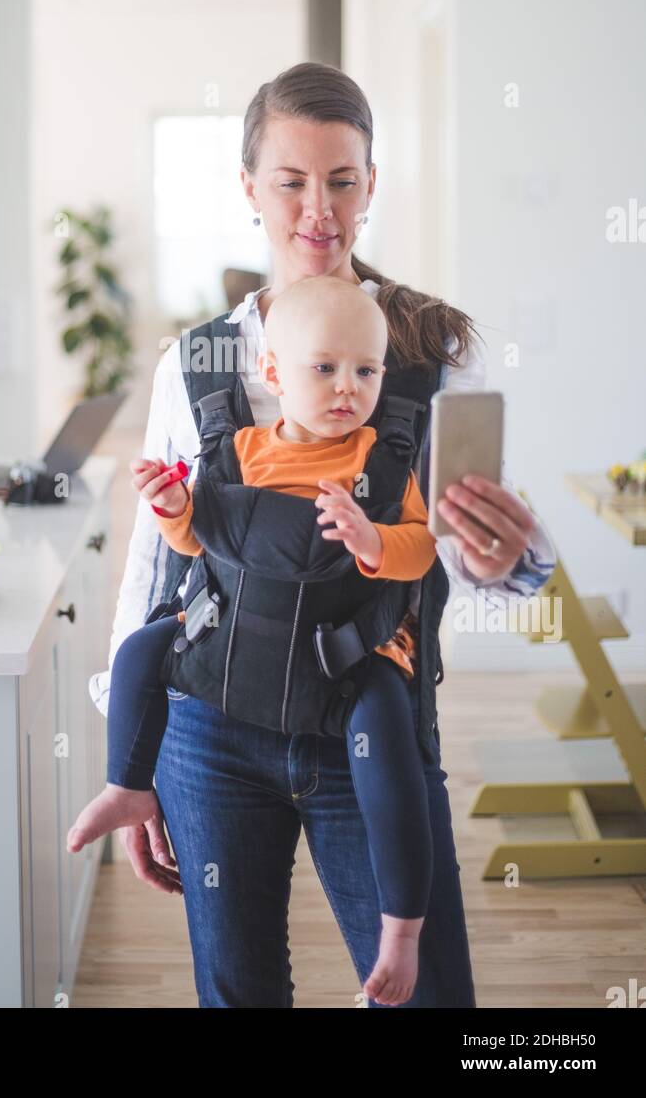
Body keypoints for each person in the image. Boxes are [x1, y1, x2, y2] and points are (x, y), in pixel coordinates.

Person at [88, 62, 556, 1008]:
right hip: (209, 727)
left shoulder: (426, 355)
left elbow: (486, 553)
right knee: (240, 991)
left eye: (342, 180)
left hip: (370, 720)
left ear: (372, 185)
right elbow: (153, 559)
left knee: (432, 1001)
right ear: (250, 188)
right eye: (291, 181)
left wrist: (520, 559)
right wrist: (128, 755)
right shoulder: (202, 357)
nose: (318, 209)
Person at [70, 279, 438, 1005]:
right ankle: (125, 783)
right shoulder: (240, 449)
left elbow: (420, 551)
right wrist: (174, 506)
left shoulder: (380, 460)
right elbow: (194, 535)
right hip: (230, 666)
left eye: (366, 372)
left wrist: (373, 541)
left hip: (345, 675)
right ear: (272, 375)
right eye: (324, 368)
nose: (347, 389)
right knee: (145, 647)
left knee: (392, 745)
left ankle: (401, 927)